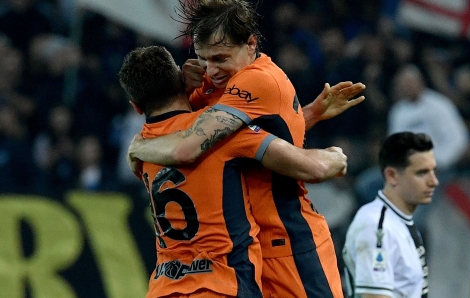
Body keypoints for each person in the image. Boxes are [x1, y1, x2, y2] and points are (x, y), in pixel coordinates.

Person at [126, 1, 366, 297]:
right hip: (246, 256)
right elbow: (248, 138)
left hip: (289, 242)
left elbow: (189, 146)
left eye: (220, 58)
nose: (211, 71)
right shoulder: (222, 82)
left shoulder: (255, 79)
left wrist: (139, 148)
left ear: (251, 44)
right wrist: (309, 114)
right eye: (203, 59)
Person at [342, 132, 437, 298]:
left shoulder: (402, 223)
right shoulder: (376, 227)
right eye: (421, 173)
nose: (433, 181)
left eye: (432, 171)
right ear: (392, 176)